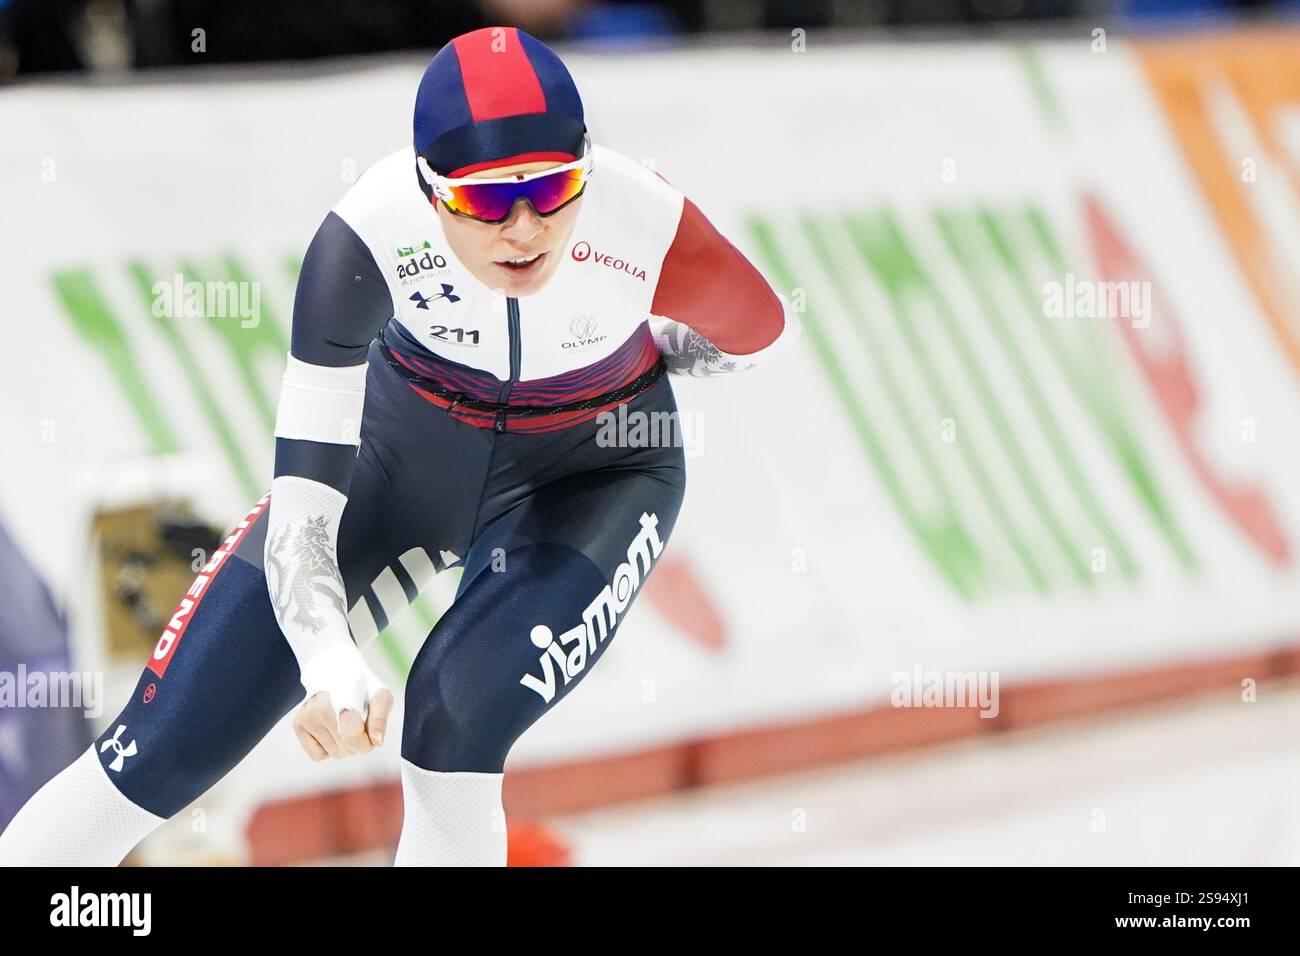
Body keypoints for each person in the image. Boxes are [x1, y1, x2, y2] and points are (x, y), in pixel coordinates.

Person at [0, 25, 796, 867]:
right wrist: (326, 660)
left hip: (595, 476)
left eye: (553, 190)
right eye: (485, 200)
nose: (524, 228)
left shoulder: (645, 221)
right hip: (402, 466)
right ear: (428, 188)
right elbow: (304, 510)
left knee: (452, 714)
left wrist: (649, 351)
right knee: (153, 750)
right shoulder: (364, 238)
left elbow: (758, 332)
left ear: (588, 170)